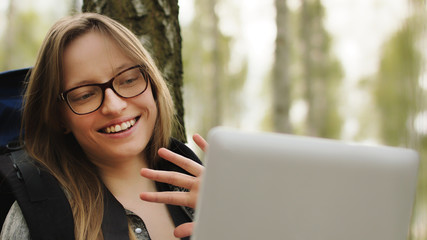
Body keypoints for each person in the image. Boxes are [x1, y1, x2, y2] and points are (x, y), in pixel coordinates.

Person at [0, 12, 205, 240]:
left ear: (153, 84)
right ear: (59, 118)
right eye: (85, 95)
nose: (114, 106)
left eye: (128, 80)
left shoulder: (207, 192)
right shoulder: (36, 219)